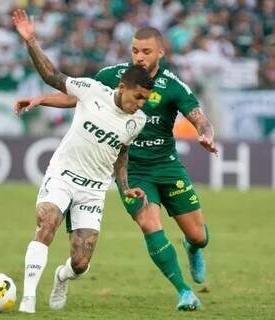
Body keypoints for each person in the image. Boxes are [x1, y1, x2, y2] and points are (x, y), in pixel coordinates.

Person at [15, 22, 218, 311]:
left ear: (160, 52)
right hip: (134, 171)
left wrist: (207, 135)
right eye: (135, 50)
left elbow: (200, 119)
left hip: (166, 165)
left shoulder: (173, 87)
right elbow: (77, 95)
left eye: (146, 51)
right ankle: (184, 291)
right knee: (149, 224)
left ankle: (193, 247)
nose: (139, 57)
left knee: (198, 235)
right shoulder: (112, 77)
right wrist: (42, 99)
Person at [12, 9, 153, 314]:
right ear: (122, 88)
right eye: (138, 97)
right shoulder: (92, 90)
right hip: (63, 174)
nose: (140, 105)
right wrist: (31, 41)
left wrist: (126, 186)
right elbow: (52, 76)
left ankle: (61, 277)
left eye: (145, 100)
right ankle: (28, 299)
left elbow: (121, 153)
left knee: (80, 262)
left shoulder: (137, 121)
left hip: (94, 189)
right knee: (47, 222)